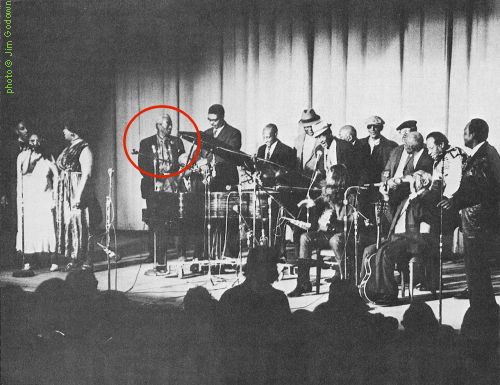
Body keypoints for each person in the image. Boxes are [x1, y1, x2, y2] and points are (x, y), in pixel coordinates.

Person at [438, 118, 500, 311]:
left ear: (473, 134)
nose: (463, 136)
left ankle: (482, 308)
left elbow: (481, 188)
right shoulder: (486, 153)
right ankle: (483, 304)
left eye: (465, 132)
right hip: (477, 216)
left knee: (476, 263)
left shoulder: (483, 155)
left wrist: (454, 201)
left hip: (477, 218)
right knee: (476, 263)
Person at [217, 246, 291, 384]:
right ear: (262, 268)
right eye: (272, 265)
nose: (275, 269)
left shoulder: (229, 297)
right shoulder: (278, 299)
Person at [288, 165, 351, 297]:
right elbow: (319, 201)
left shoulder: (348, 194)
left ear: (337, 178)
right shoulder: (327, 192)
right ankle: (303, 283)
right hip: (327, 233)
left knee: (335, 240)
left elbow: (349, 221)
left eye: (329, 174)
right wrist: (312, 203)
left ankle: (345, 280)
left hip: (341, 233)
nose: (326, 177)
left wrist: (333, 224)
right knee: (305, 237)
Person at [138, 113, 185, 264]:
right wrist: (155, 180)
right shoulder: (146, 143)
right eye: (167, 125)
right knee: (155, 221)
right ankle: (156, 255)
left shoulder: (177, 142)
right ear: (158, 126)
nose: (170, 127)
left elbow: (182, 162)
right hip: (154, 186)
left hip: (173, 185)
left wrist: (176, 177)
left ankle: (181, 253)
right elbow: (142, 167)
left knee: (177, 219)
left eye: (171, 124)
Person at [55, 115, 100, 271]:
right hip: (67, 193)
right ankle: (74, 257)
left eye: (65, 129)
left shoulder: (84, 148)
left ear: (73, 132)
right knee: (71, 226)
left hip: (78, 191)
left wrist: (78, 196)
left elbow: (86, 174)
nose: (63, 131)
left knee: (83, 226)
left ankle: (87, 260)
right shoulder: (69, 147)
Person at [16, 133, 59, 271]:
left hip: (44, 197)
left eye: (37, 140)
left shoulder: (47, 157)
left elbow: (56, 175)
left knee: (47, 228)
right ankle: (28, 260)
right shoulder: (23, 156)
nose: (35, 143)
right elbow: (23, 172)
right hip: (30, 199)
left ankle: (54, 260)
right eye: (32, 141)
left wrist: (55, 196)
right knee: (30, 230)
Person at [1, 120, 30, 268]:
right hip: (13, 188)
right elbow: (4, 172)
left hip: (29, 188)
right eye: (22, 129)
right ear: (16, 131)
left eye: (27, 129)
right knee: (14, 221)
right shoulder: (9, 148)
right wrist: (4, 193)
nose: (26, 131)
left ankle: (28, 255)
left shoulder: (32, 146)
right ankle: (13, 256)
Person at [381, 131, 433, 213]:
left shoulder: (427, 155)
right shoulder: (397, 150)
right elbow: (386, 170)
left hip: (409, 192)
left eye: (409, 146)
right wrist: (387, 182)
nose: (405, 147)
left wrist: (396, 182)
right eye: (406, 144)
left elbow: (418, 175)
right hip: (391, 187)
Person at [204, 104, 241, 192]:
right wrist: (199, 162)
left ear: (222, 117)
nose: (211, 123)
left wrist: (207, 161)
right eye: (209, 120)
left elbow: (230, 154)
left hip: (227, 178)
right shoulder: (206, 133)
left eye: (215, 120)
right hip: (209, 182)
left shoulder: (234, 133)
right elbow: (197, 152)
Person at [294, 108, 321, 177]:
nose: (310, 129)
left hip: (316, 181)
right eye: (307, 127)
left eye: (312, 126)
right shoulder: (298, 140)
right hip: (300, 180)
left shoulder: (321, 140)